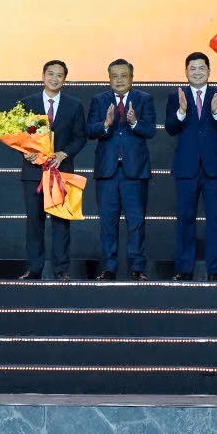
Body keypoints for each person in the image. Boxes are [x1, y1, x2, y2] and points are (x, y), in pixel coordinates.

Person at [165, 51, 217, 281]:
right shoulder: (176, 96)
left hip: (214, 168)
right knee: (185, 219)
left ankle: (215, 270)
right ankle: (184, 269)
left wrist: (216, 111)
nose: (197, 72)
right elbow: (170, 128)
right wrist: (181, 112)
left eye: (201, 68)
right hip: (186, 168)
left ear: (209, 71)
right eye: (192, 68)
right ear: (186, 72)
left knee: (216, 221)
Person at [85, 59, 156, 280]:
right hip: (107, 171)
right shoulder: (99, 100)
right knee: (108, 222)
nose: (119, 80)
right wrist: (105, 124)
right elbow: (90, 130)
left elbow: (151, 130)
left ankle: (137, 267)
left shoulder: (144, 99)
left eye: (124, 76)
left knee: (136, 222)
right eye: (114, 76)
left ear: (131, 78)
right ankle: (109, 267)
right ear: (109, 78)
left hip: (135, 171)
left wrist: (134, 122)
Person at [17, 60, 87, 280]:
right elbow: (21, 136)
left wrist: (64, 153)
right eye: (50, 74)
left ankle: (61, 270)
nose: (54, 78)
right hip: (33, 172)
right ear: (43, 76)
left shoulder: (74, 105)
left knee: (61, 222)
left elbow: (80, 137)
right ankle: (34, 269)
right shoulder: (27, 103)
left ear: (64, 80)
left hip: (61, 171)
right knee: (34, 222)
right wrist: (26, 152)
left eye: (59, 75)